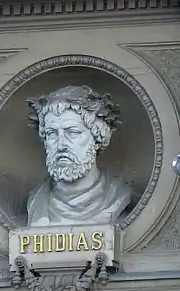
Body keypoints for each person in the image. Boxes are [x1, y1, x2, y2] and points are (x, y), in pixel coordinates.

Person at [25, 85, 134, 226]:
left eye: (73, 132)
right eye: (52, 134)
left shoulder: (118, 196)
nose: (61, 145)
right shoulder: (36, 201)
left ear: (97, 137)